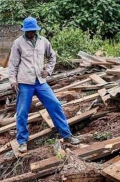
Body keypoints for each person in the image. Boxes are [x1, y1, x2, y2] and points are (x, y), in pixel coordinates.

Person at [8, 17, 80, 153]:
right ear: (24, 30)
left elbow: (52, 56)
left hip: (40, 82)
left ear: (36, 30)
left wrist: (48, 70)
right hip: (25, 83)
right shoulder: (18, 43)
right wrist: (13, 81)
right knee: (22, 112)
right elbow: (12, 64)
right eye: (28, 31)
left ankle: (67, 135)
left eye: (32, 31)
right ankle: (22, 142)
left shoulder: (43, 42)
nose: (30, 33)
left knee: (55, 105)